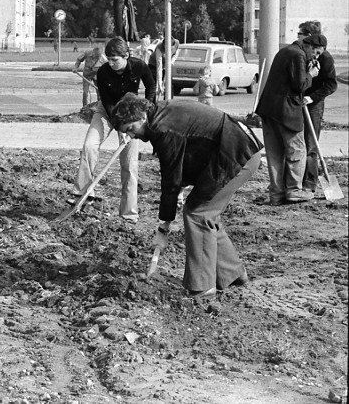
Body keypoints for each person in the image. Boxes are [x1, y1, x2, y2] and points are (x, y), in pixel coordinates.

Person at [111, 94, 260, 302]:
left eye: (130, 129)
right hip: (236, 149)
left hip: (237, 155)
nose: (132, 136)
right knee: (206, 212)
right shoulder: (161, 113)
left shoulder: (163, 128)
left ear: (142, 117)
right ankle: (232, 273)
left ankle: (202, 287)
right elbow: (183, 155)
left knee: (198, 212)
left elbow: (170, 178)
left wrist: (164, 227)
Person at [71, 36, 155, 222]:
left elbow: (151, 86)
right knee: (89, 145)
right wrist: (119, 126)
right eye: (108, 59)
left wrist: (146, 110)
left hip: (130, 111)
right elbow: (108, 102)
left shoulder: (139, 66)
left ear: (126, 56)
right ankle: (83, 195)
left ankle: (128, 214)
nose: (111, 63)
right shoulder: (103, 72)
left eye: (115, 59)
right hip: (107, 111)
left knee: (129, 165)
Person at [255, 32, 325, 205]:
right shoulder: (298, 55)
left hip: (269, 109)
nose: (316, 56)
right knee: (297, 150)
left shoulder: (285, 51)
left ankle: (276, 194)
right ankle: (294, 190)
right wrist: (311, 75)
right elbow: (300, 85)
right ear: (309, 46)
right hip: (286, 111)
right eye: (316, 53)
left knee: (275, 153)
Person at [297, 22, 337, 195]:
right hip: (299, 102)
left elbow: (331, 84)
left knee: (311, 145)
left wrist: (311, 97)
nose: (298, 36)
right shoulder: (302, 53)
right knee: (298, 144)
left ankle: (309, 183)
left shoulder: (325, 58)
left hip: (313, 105)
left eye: (301, 33)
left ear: (309, 36)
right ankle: (295, 181)